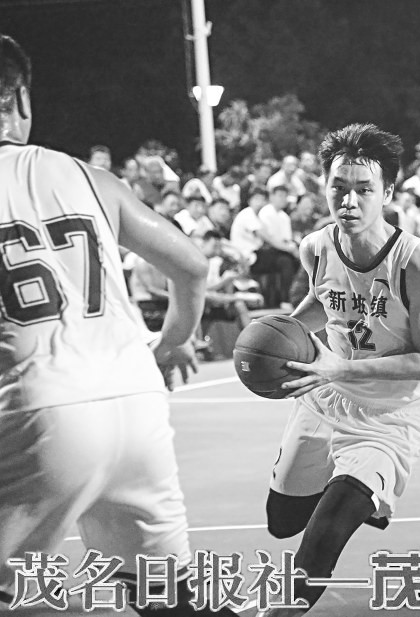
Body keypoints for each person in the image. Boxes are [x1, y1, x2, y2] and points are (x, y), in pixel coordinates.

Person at [0, 35, 240, 617]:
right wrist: (172, 343)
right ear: (20, 99)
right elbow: (192, 265)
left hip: (37, 409)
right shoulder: (88, 178)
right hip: (134, 400)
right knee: (169, 597)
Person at [259, 123, 420, 617]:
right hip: (323, 400)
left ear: (388, 192)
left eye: (364, 189)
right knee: (282, 522)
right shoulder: (316, 247)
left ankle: (357, 491)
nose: (349, 201)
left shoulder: (419, 263)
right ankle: (354, 493)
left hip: (387, 418)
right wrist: (277, 338)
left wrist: (338, 367)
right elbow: (322, 302)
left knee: (323, 537)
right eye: (338, 187)